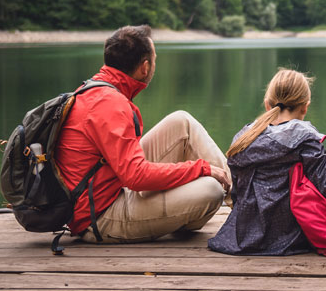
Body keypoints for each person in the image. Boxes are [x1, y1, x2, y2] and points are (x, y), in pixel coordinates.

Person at [55, 25, 231, 243]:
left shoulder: (95, 90)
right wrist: (200, 168)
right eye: (155, 59)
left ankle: (243, 201)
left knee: (181, 122)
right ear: (145, 67)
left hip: (111, 186)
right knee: (211, 190)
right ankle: (245, 204)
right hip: (100, 217)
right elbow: (136, 177)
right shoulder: (111, 104)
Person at [208, 68, 326, 255]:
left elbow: (237, 193)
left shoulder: (243, 138)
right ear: (305, 106)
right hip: (289, 236)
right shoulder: (303, 138)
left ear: (268, 104)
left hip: (242, 235)